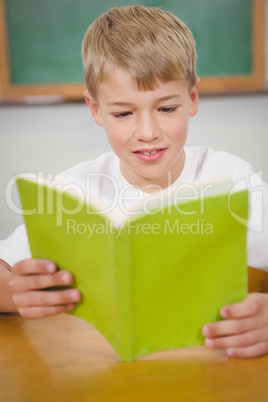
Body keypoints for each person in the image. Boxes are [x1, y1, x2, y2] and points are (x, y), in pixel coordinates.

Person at [0, 5, 268, 359]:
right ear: (95, 109)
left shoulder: (232, 180)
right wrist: (12, 291)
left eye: (166, 108)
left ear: (192, 98)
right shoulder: (72, 193)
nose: (147, 133)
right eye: (123, 113)